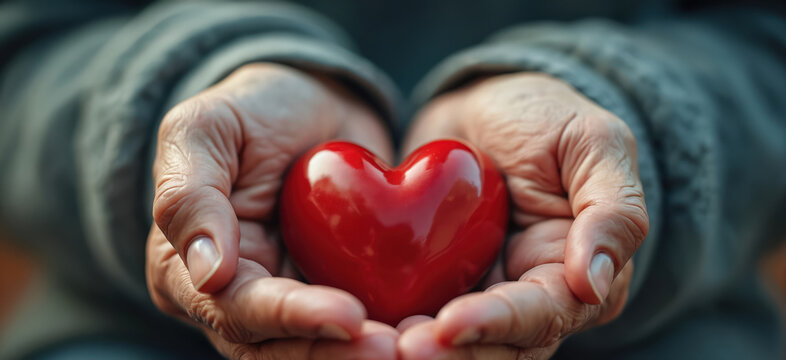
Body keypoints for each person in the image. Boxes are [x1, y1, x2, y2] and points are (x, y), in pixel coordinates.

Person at [1, 0, 784, 359]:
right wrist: (173, 133)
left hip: (661, 328)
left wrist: (632, 135)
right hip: (133, 328)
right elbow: (22, 57)